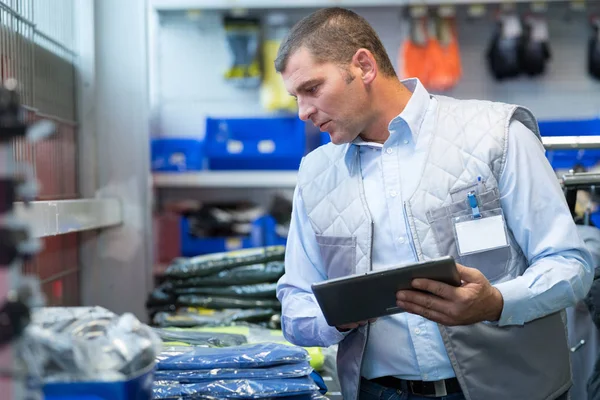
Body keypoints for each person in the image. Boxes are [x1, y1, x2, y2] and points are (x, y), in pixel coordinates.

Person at [274, 7, 594, 400]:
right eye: (296, 97)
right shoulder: (316, 173)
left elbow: (569, 264)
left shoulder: (495, 136)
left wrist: (496, 303)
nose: (303, 111)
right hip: (380, 393)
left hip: (510, 388)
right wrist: (334, 319)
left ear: (363, 66)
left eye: (312, 88)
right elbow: (294, 303)